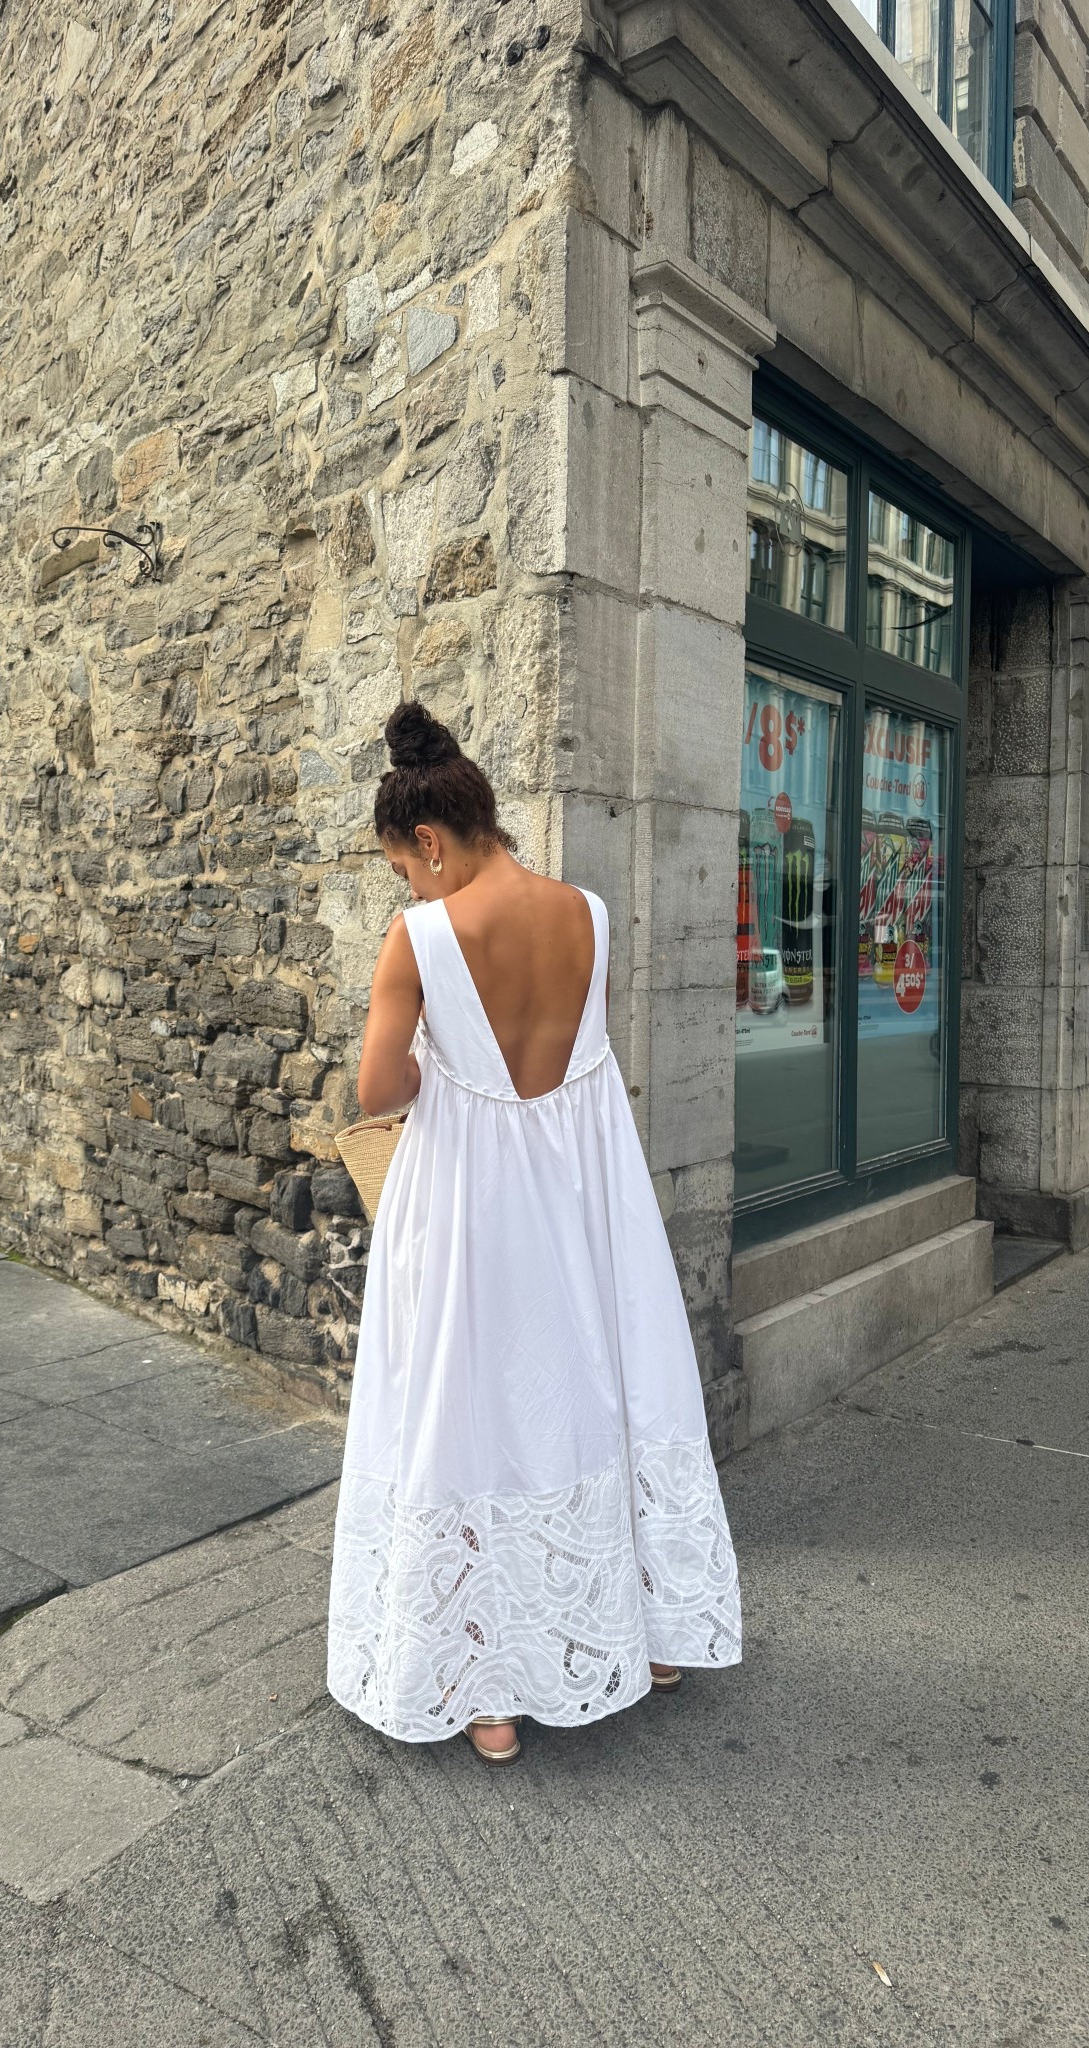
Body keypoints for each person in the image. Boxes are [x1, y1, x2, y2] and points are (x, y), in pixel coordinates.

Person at [326, 700, 741, 1767]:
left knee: (466, 1410)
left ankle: (488, 1693)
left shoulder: (421, 934)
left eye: (402, 867)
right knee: (600, 1388)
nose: (407, 888)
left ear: (429, 842)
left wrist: (429, 1065)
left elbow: (379, 1086)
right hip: (583, 1197)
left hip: (467, 1198)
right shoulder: (590, 915)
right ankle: (644, 1635)